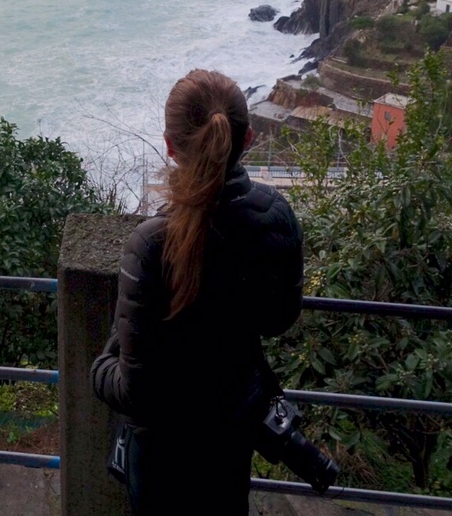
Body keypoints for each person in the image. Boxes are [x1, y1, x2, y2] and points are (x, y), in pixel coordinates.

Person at [90, 69, 306, 515]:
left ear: (170, 147)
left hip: (162, 452)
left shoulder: (151, 245)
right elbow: (279, 319)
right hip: (231, 433)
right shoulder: (276, 217)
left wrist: (100, 368)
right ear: (245, 141)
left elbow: (135, 390)